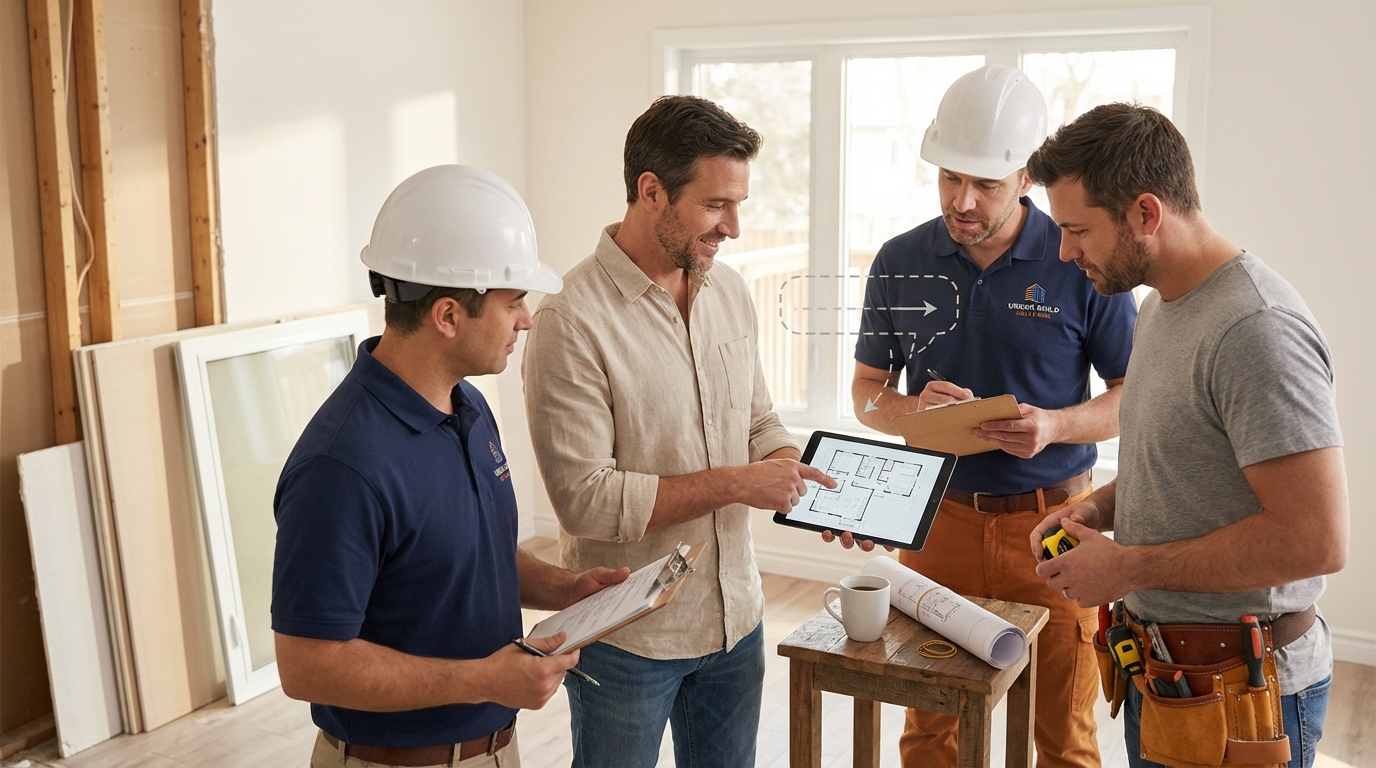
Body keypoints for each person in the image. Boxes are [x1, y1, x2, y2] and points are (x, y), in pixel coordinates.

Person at [272, 165, 629, 768]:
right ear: (447, 315)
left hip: (490, 751)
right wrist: (485, 681)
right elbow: (308, 664)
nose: (526, 319)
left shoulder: (467, 408)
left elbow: (469, 552)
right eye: (513, 301)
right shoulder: (342, 466)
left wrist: (563, 589)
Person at [834, 66, 1138, 767]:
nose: (961, 201)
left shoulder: (1078, 255)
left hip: (1057, 527)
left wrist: (1056, 426)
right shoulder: (900, 261)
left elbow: (1131, 396)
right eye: (948, 178)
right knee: (931, 725)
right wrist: (910, 411)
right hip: (936, 525)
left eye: (985, 185)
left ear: (1027, 176)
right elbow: (866, 393)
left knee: (1063, 735)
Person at [1027, 104, 1348, 768]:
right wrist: (1094, 510)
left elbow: (1316, 539)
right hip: (1167, 675)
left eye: (1077, 229)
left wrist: (1129, 566)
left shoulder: (1255, 329)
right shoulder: (1158, 308)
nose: (1064, 251)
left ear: (1146, 213)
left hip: (1244, 693)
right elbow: (1179, 464)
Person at [521, 95, 835, 768]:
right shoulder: (569, 321)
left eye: (740, 204)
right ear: (651, 191)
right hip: (629, 639)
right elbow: (586, 500)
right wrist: (740, 484)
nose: (736, 228)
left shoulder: (727, 291)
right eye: (718, 205)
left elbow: (758, 420)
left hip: (736, 622)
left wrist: (795, 474)